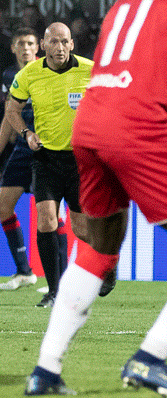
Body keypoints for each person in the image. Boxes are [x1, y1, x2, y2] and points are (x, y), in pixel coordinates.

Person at [23, 0, 167, 396]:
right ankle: (151, 357)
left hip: (89, 122)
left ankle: (45, 370)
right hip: (137, 124)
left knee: (99, 250)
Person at [2, 22, 97, 308]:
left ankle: (105, 265)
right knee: (46, 220)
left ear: (71, 44)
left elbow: (115, 101)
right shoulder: (27, 74)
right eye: (53, 42)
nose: (59, 48)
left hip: (79, 159)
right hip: (43, 155)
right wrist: (26, 133)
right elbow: (11, 109)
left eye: (64, 42)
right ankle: (54, 291)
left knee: (82, 229)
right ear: (45, 45)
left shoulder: (91, 70)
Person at [0, 27, 41, 291]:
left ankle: (59, 283)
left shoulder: (47, 71)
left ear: (38, 48)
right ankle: (24, 271)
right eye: (21, 44)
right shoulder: (9, 75)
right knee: (3, 207)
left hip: (48, 148)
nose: (25, 48)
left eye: (30, 43)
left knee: (51, 213)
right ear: (14, 48)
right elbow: (8, 115)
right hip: (22, 149)